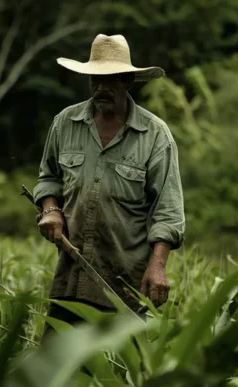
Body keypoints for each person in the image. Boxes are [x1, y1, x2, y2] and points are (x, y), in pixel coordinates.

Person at [33, 33, 185, 335]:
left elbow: (167, 212)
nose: (101, 88)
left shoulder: (155, 136)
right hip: (71, 279)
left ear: (128, 80)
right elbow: (49, 177)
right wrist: (50, 210)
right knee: (54, 375)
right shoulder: (65, 123)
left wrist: (158, 265)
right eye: (95, 80)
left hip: (124, 287)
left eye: (111, 80)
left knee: (117, 377)